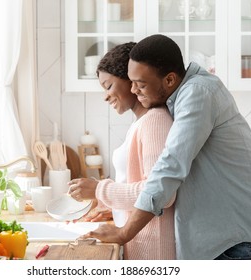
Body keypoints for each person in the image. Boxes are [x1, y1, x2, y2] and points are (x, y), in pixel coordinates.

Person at [81, 34, 251, 260]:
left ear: (170, 80)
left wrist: (125, 233)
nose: (133, 90)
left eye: (141, 84)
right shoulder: (180, 98)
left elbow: (169, 170)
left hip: (249, 245)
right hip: (235, 243)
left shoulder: (198, 93)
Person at [68, 42, 176, 260]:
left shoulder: (155, 121)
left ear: (130, 79)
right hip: (141, 245)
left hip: (152, 253)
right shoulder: (142, 122)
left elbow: (162, 195)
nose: (106, 96)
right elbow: (140, 187)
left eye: (108, 86)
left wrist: (100, 190)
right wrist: (113, 206)